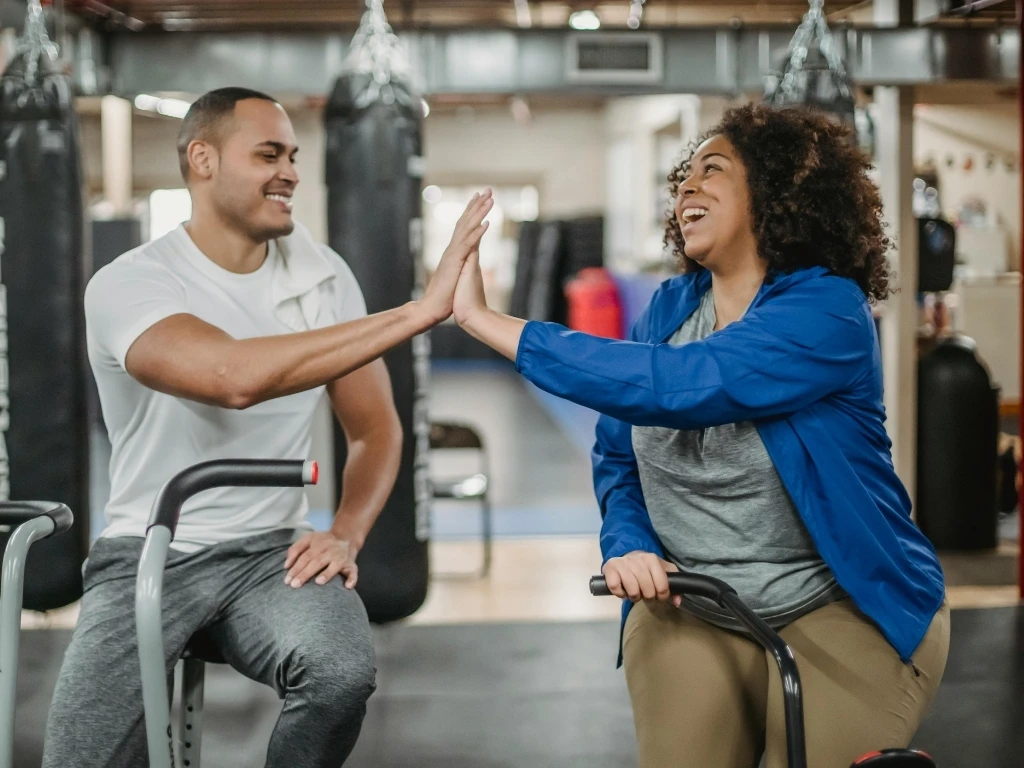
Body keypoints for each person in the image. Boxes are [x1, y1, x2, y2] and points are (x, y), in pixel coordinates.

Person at [451, 103, 949, 767]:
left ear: (776, 193)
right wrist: (626, 541)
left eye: (712, 170)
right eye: (683, 175)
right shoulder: (669, 309)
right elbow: (618, 452)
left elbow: (683, 385)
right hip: (697, 602)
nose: (686, 185)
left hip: (842, 602)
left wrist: (489, 324)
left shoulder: (828, 311)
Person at [42, 87, 492, 768]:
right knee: (79, 758)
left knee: (340, 674)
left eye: (292, 155)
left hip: (270, 558)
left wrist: (346, 532)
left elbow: (376, 431)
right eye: (267, 154)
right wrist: (419, 311)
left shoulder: (321, 278)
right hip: (149, 552)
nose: (290, 171)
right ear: (203, 159)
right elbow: (233, 378)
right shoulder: (131, 283)